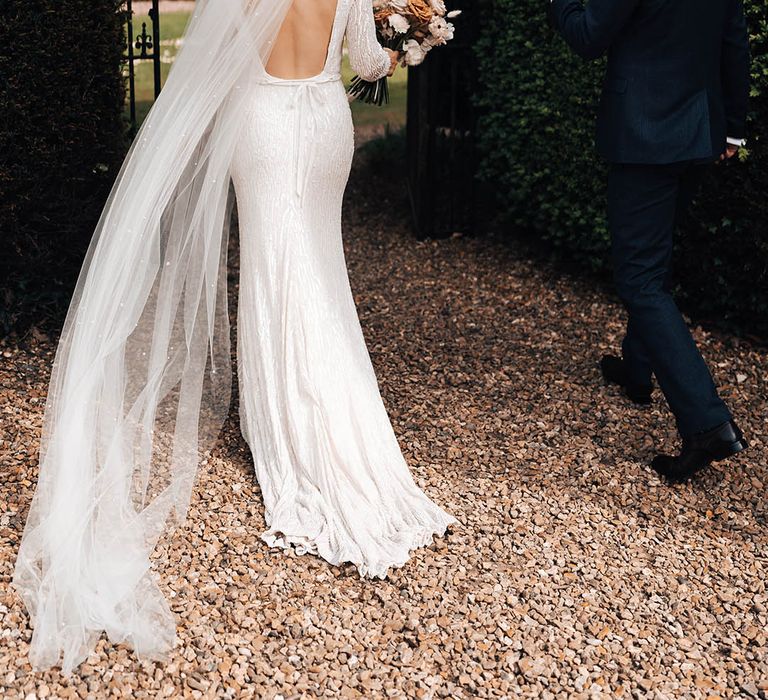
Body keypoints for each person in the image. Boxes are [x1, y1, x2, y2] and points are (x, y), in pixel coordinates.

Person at [13, 0, 455, 674]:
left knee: (274, 275)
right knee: (317, 267)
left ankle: (286, 423)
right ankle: (336, 416)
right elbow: (366, 65)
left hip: (266, 127)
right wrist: (402, 38)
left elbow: (217, 64)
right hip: (326, 125)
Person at [548, 0, 750, 482]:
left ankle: (706, 423)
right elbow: (733, 41)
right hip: (701, 131)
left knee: (639, 279)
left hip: (646, 136)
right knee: (653, 266)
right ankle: (637, 371)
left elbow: (587, 37)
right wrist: (735, 130)